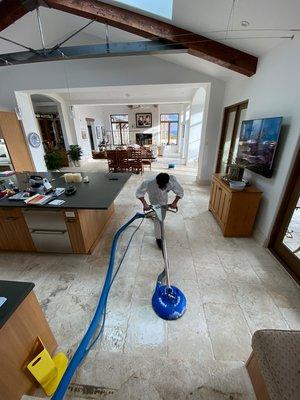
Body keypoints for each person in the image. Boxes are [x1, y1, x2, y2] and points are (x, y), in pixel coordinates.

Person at [136, 173, 184, 249]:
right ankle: (158, 238)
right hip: (154, 198)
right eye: (159, 185)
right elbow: (139, 193)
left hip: (164, 199)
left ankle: (155, 215)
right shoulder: (148, 182)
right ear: (156, 182)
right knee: (158, 218)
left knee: (161, 216)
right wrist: (145, 204)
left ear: (167, 183)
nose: (161, 188)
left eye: (163, 186)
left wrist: (174, 203)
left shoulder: (172, 181)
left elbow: (180, 192)